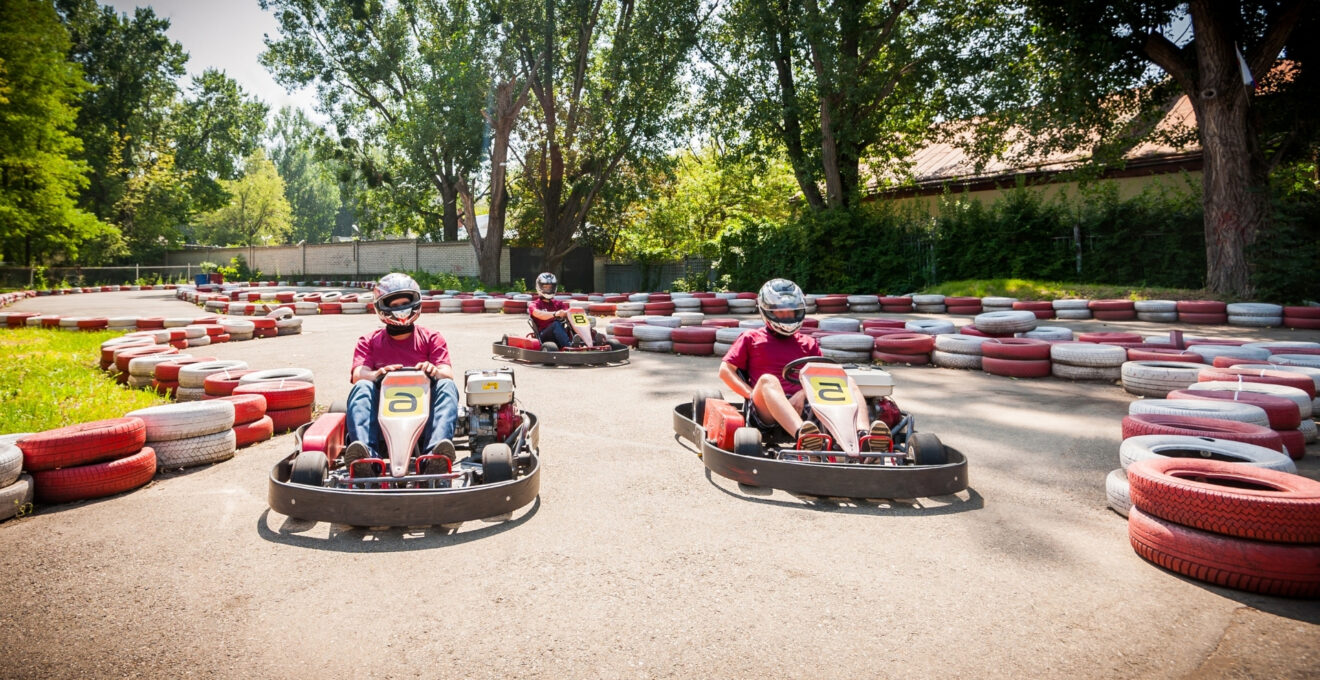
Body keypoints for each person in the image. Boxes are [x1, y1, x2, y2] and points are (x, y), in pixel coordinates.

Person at [718, 278, 889, 451]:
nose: (787, 316)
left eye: (791, 311)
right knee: (768, 380)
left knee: (847, 380)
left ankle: (863, 436)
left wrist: (802, 394)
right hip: (766, 409)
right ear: (767, 311)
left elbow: (823, 377)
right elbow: (725, 371)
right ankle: (805, 437)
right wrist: (751, 394)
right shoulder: (751, 338)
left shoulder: (808, 343)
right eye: (781, 312)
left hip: (806, 405)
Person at [342, 272, 460, 476]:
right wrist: (377, 374)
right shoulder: (369, 341)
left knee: (447, 385)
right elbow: (358, 374)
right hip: (383, 419)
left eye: (404, 304)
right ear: (382, 307)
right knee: (362, 386)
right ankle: (366, 459)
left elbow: (447, 372)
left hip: (425, 418)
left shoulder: (431, 337)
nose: (400, 309)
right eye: (394, 305)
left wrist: (433, 371)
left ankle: (435, 457)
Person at [528, 272, 573, 348]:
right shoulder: (535, 304)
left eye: (550, 287)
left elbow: (568, 312)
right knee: (556, 324)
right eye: (545, 287)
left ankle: (587, 343)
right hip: (544, 336)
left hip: (560, 334)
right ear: (539, 287)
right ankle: (569, 347)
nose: (548, 289)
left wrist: (571, 313)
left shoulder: (558, 304)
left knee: (573, 323)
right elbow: (537, 313)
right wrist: (555, 314)